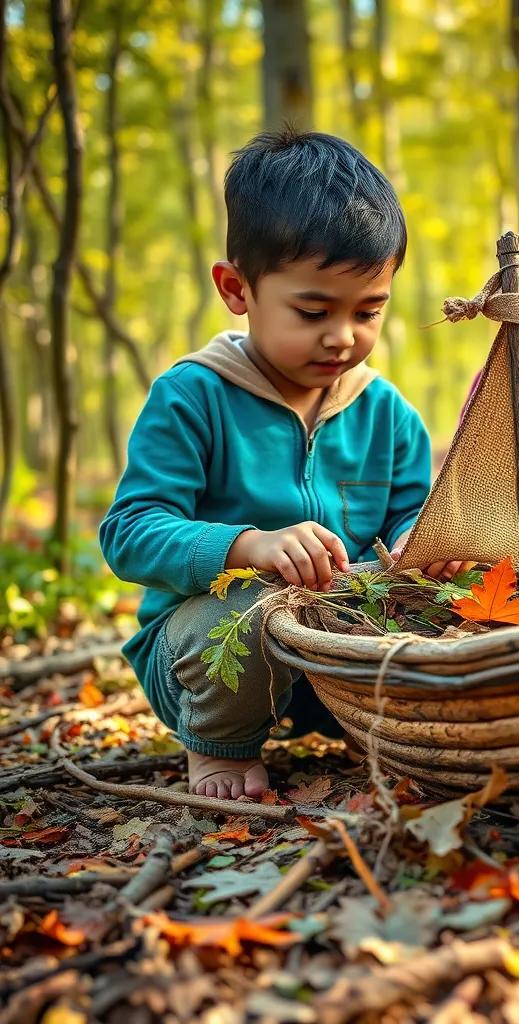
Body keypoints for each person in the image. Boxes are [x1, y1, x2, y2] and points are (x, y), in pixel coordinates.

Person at [100, 128, 431, 801]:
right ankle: (222, 749)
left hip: (336, 659)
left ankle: (375, 730)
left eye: (369, 311)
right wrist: (247, 546)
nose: (343, 336)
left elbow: (413, 509)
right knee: (245, 614)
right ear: (236, 289)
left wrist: (413, 543)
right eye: (313, 311)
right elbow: (129, 532)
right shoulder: (193, 395)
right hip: (210, 657)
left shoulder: (386, 412)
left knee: (444, 608)